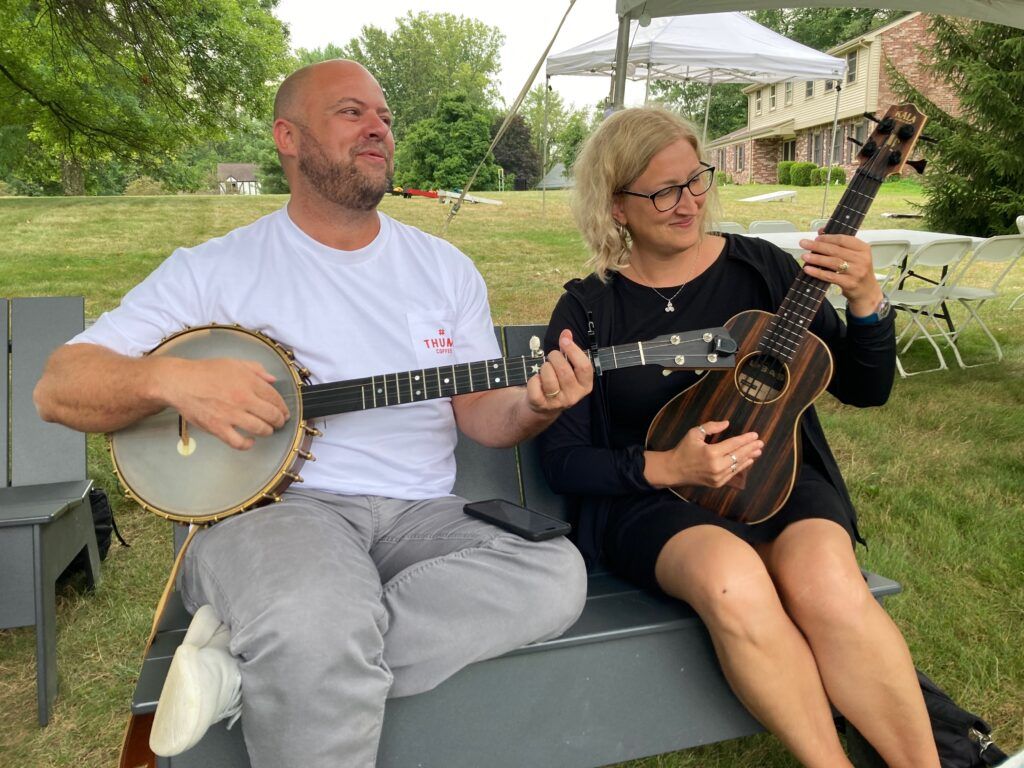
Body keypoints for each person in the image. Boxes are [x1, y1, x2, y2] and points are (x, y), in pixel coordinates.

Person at [33, 59, 591, 768]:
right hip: (276, 513)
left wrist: (535, 404)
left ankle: (245, 666)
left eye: (385, 117)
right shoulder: (217, 269)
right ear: (287, 137)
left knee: (551, 573)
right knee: (313, 614)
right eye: (351, 112)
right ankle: (301, 637)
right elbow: (58, 387)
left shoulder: (445, 268)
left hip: (420, 515)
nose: (379, 129)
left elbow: (483, 416)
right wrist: (172, 379)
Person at [540, 106, 940, 768]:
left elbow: (864, 390)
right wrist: (668, 467)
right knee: (732, 581)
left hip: (778, 473)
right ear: (615, 206)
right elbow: (563, 460)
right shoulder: (590, 307)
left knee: (830, 584)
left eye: (695, 180)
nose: (687, 202)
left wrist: (868, 299)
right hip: (653, 498)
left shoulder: (760, 268)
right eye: (663, 191)